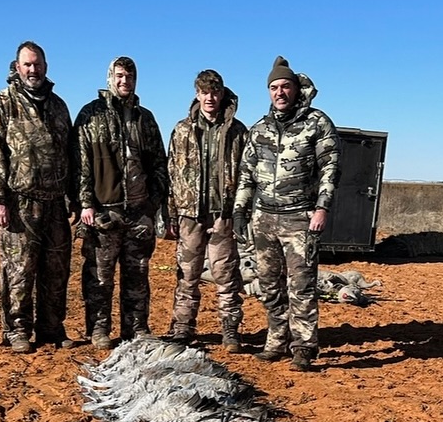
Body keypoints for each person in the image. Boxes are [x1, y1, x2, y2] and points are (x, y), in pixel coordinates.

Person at [233, 56, 341, 371]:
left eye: (285, 86)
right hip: (264, 218)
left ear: (296, 89)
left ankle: (304, 347)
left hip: (300, 218)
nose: (280, 92)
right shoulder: (260, 129)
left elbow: (331, 168)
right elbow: (246, 174)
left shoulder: (317, 123)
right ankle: (276, 339)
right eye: (274, 87)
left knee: (302, 285)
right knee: (268, 284)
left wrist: (322, 207)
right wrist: (240, 210)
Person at [0, 41, 75, 353]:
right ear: (17, 67)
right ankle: (18, 329)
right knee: (19, 269)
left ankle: (51, 328)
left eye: (37, 64)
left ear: (46, 66)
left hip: (55, 202)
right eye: (27, 64)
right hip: (19, 201)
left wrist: (74, 196)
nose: (33, 70)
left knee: (56, 269)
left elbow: (71, 155)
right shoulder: (3, 103)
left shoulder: (59, 106)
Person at [72, 56, 168, 349]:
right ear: (109, 78)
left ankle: (136, 328)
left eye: (130, 76)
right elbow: (81, 163)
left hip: (139, 213)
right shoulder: (91, 114)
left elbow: (159, 164)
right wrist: (86, 203)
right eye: (119, 76)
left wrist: (153, 202)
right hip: (104, 212)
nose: (124, 81)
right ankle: (99, 329)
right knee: (99, 277)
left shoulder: (145, 118)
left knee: (137, 275)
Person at [165, 69, 248, 352]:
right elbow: (172, 172)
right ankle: (183, 328)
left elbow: (248, 175)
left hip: (223, 214)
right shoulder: (182, 130)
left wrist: (240, 212)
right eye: (204, 92)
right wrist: (172, 212)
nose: (209, 98)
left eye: (214, 92)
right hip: (190, 214)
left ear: (222, 94)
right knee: (187, 275)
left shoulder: (238, 132)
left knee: (226, 275)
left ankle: (230, 330)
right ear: (196, 94)